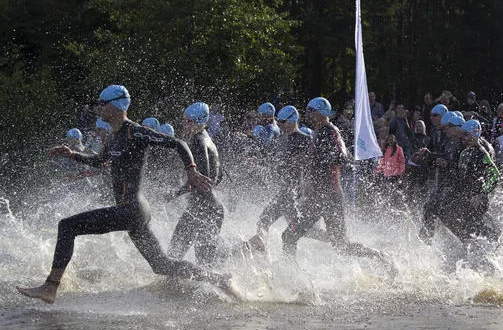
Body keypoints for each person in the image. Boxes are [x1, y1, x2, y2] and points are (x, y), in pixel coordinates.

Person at [16, 85, 239, 304]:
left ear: (115, 106)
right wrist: (72, 154)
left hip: (131, 209)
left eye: (102, 105)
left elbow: (178, 143)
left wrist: (191, 171)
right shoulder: (114, 135)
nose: (99, 109)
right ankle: (218, 279)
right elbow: (99, 161)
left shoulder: (135, 131)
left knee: (67, 226)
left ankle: (50, 287)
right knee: (161, 264)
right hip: (134, 212)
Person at [280, 97, 397, 276]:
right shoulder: (316, 133)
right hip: (314, 199)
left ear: (322, 113)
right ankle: (289, 275)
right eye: (307, 111)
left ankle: (381, 256)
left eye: (311, 111)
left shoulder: (330, 131)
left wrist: (320, 159)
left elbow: (343, 156)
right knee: (289, 236)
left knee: (341, 246)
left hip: (331, 198)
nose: (307, 115)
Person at [245, 105, 327, 251]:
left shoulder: (305, 139)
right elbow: (277, 162)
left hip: (295, 193)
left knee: (278, 225)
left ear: (292, 120)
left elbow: (314, 167)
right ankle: (262, 249)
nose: (280, 125)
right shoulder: (282, 140)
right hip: (286, 191)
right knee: (271, 222)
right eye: (279, 121)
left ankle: (335, 239)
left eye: (282, 122)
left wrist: (308, 188)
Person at [167, 102, 225, 267]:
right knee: (203, 265)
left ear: (198, 122)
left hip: (202, 210)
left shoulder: (198, 141)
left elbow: (202, 180)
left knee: (173, 258)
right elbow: (217, 178)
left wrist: (176, 193)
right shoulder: (208, 140)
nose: (184, 125)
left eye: (188, 121)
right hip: (209, 209)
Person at [443, 119, 500, 243]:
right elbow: (462, 176)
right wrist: (452, 188)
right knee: (457, 220)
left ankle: (489, 237)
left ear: (474, 134)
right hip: (467, 196)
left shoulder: (481, 153)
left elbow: (495, 175)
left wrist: (482, 193)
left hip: (477, 200)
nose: (462, 138)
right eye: (462, 134)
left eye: (465, 134)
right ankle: (479, 239)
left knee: (448, 214)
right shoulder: (465, 152)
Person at [418, 115, 465, 242]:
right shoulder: (450, 143)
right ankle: (426, 238)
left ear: (458, 128)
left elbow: (462, 166)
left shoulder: (463, 144)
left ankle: (464, 238)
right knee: (430, 207)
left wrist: (446, 164)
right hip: (448, 184)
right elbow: (444, 156)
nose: (446, 130)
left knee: (436, 209)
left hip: (458, 188)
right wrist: (429, 156)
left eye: (449, 127)